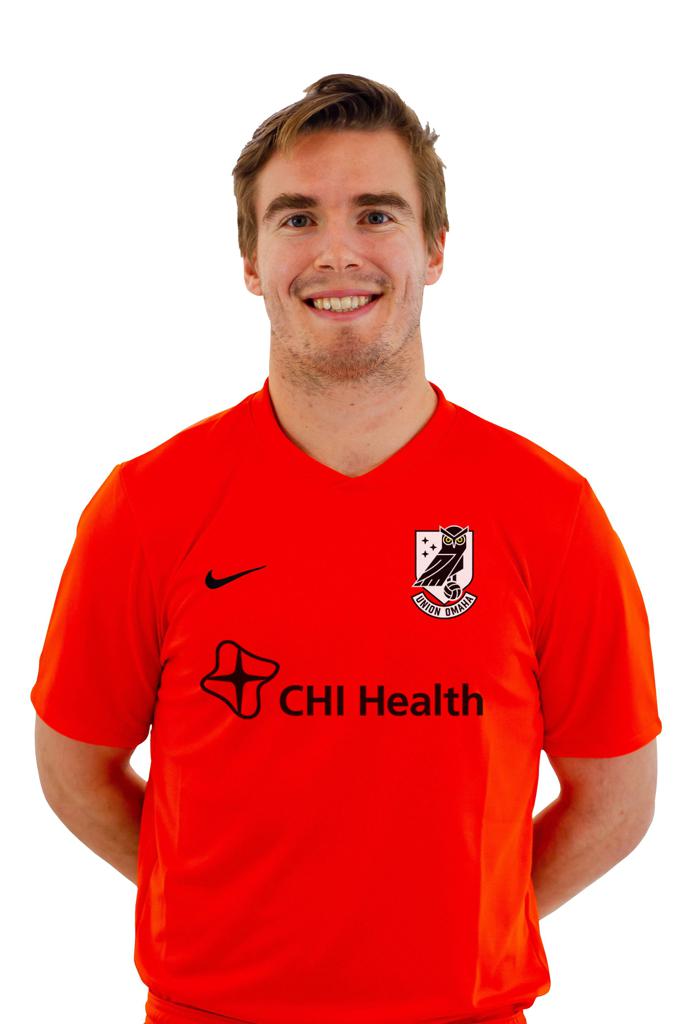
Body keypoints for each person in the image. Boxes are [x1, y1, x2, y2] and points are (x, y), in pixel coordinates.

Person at [31, 73, 662, 1024]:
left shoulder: (547, 511)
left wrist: (463, 931)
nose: (336, 251)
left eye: (375, 214)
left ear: (433, 247)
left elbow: (615, 800)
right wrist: (207, 909)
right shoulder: (147, 507)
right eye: (296, 218)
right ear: (251, 261)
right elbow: (74, 769)